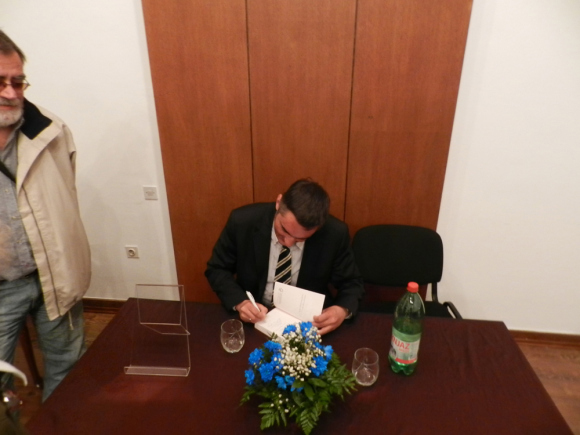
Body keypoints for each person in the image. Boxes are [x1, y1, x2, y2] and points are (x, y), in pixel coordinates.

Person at [0, 30, 91, 401]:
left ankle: (61, 424)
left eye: (18, 81)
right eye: (0, 82)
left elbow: (65, 195)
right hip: (3, 288)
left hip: (54, 274)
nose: (11, 93)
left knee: (69, 370)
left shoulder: (51, 131)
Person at [205, 178, 364, 335]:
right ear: (278, 203)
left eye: (300, 239)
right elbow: (217, 269)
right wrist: (241, 303)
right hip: (254, 320)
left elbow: (351, 283)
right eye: (284, 231)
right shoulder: (243, 221)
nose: (288, 242)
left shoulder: (334, 234)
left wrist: (341, 310)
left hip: (308, 325)